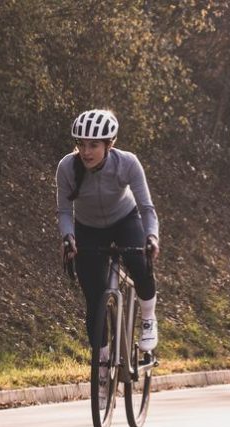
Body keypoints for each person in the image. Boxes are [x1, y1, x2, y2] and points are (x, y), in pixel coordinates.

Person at [56, 109, 160, 368]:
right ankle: (102, 365)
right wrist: (68, 237)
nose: (86, 151)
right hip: (88, 228)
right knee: (94, 298)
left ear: (109, 144)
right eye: (81, 144)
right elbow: (64, 210)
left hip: (125, 220)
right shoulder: (67, 167)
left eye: (94, 145)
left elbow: (146, 208)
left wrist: (152, 237)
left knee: (140, 264)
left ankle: (148, 318)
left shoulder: (127, 163)